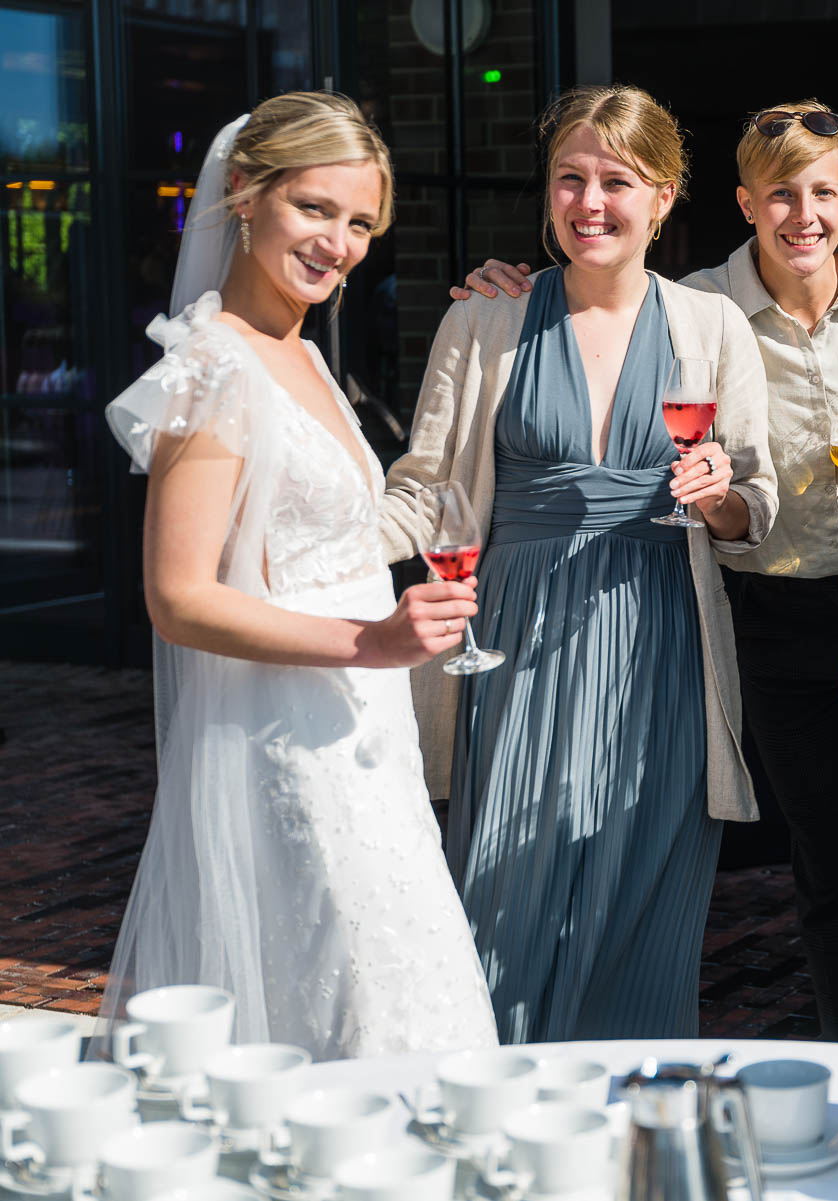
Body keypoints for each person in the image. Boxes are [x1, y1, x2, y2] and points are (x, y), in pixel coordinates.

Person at [457, 101, 838, 1042]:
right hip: (769, 611)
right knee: (828, 864)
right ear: (742, 204)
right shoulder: (701, 305)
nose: (804, 214)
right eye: (781, 194)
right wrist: (504, 284)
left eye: (823, 192)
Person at [99, 93, 497, 1059]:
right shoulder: (211, 366)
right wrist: (372, 641)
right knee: (351, 1009)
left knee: (403, 986)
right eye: (316, 209)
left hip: (368, 737)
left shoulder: (307, 355)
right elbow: (179, 596)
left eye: (360, 222)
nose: (339, 243)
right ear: (244, 192)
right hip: (288, 744)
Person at [381, 84, 776, 1042]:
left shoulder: (714, 324)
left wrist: (720, 489)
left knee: (645, 911)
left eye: (616, 180)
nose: (589, 202)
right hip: (512, 646)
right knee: (501, 899)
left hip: (663, 651)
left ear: (667, 194)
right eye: (570, 178)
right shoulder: (486, 320)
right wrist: (312, 539)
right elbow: (424, 486)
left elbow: (757, 504)